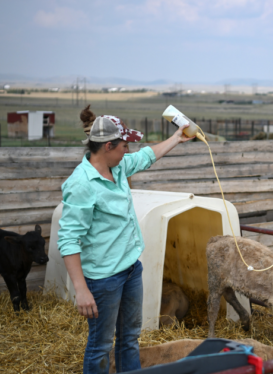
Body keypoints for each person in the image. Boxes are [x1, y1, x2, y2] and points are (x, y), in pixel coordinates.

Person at [57, 105, 194, 374]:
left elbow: (146, 156)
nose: (127, 151)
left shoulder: (117, 168)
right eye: (124, 145)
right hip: (104, 278)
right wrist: (81, 289)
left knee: (130, 338)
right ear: (108, 146)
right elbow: (69, 239)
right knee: (100, 345)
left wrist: (177, 137)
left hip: (131, 270)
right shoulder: (81, 184)